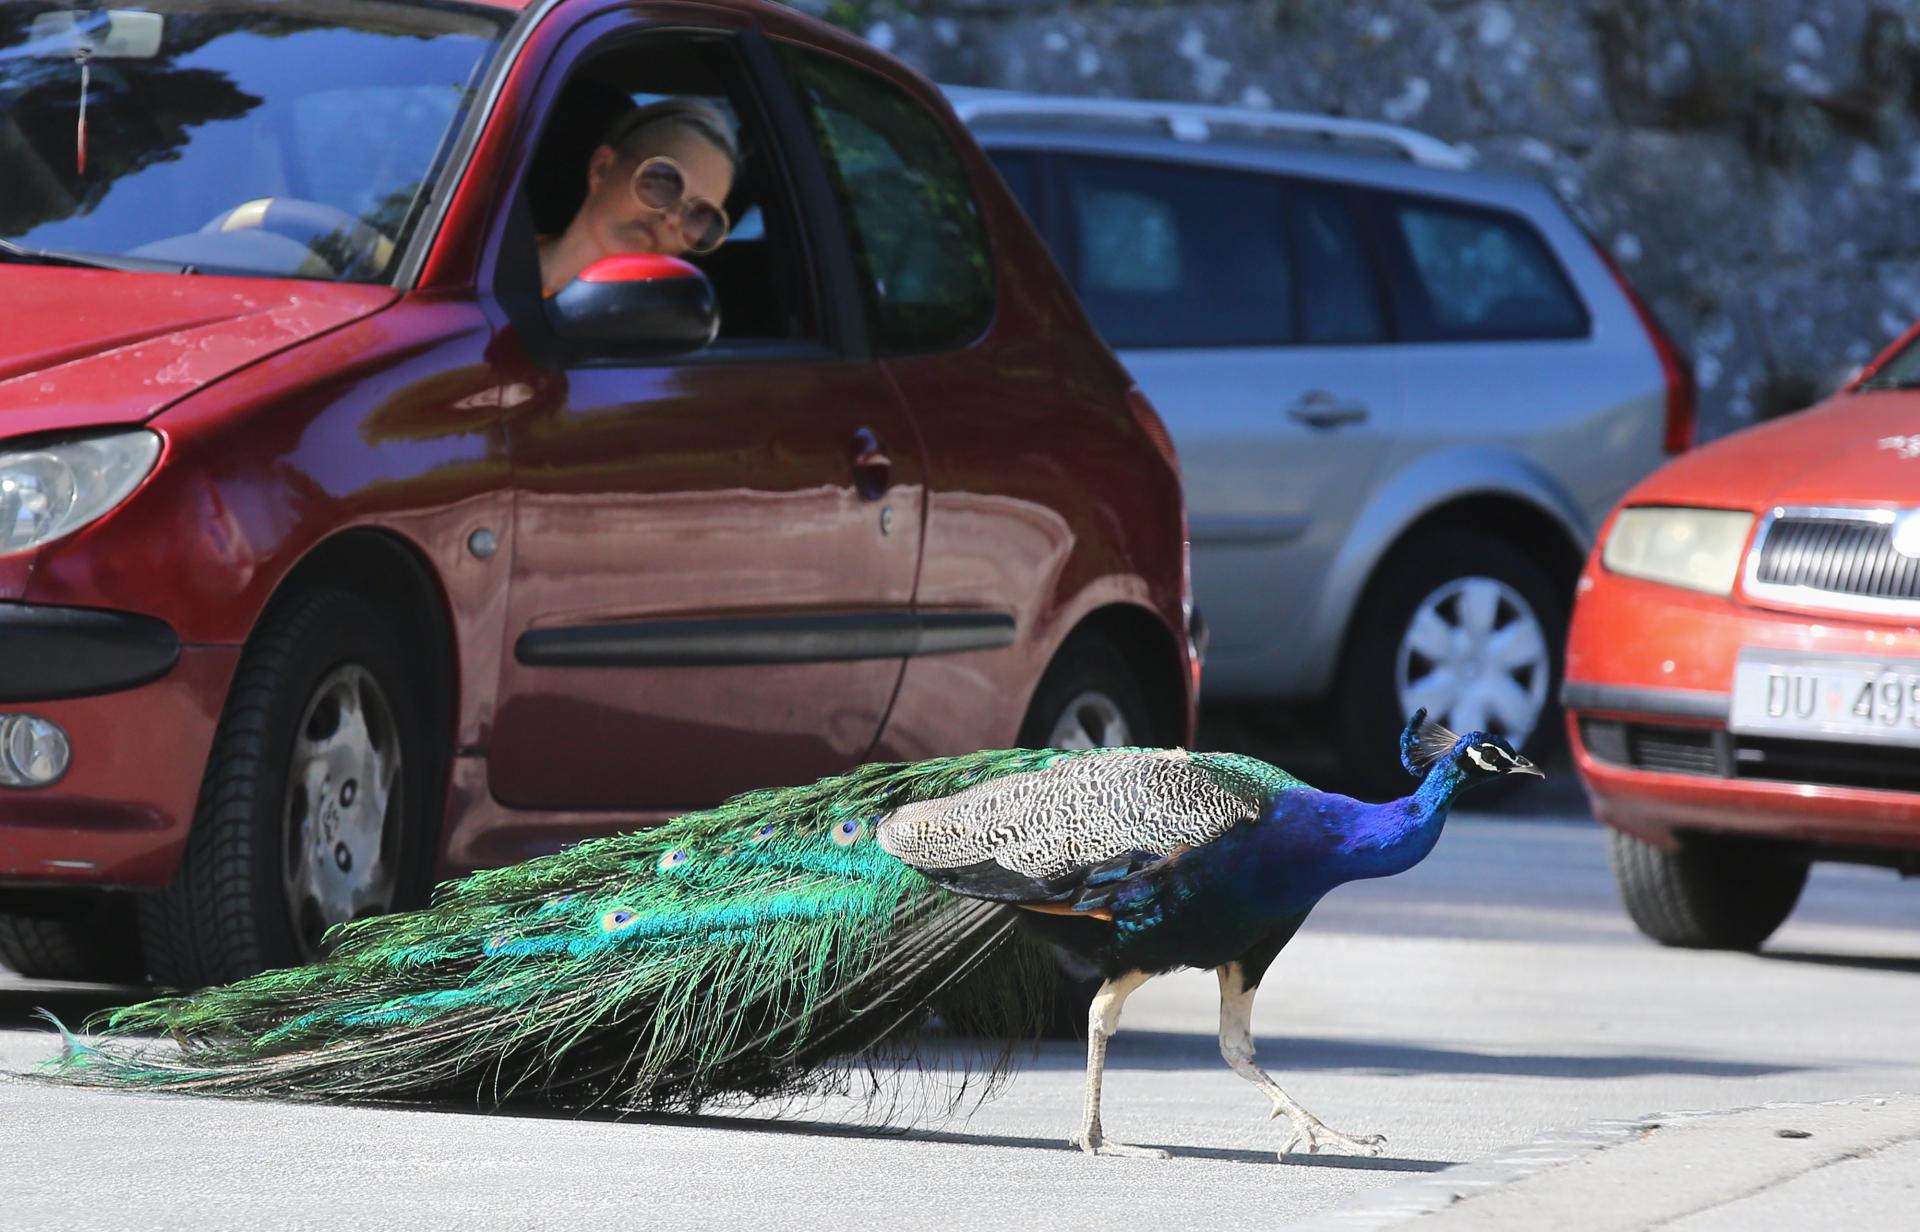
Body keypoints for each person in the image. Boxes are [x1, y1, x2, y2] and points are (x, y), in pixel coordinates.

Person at [538, 98, 740, 296]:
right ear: (602, 168)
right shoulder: (506, 239)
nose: (673, 218)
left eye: (699, 217)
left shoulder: (656, 327)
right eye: (665, 182)